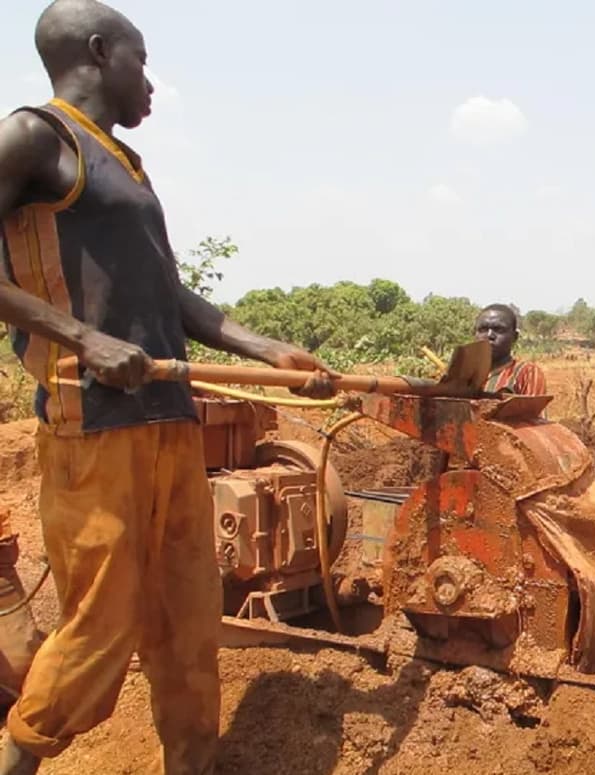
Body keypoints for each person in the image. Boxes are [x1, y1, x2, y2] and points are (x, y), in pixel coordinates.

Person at [0, 2, 334, 773]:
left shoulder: (129, 168)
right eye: (141, 61)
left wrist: (266, 347)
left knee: (189, 626)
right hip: (95, 427)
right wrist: (82, 338)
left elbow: (171, 297)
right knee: (100, 628)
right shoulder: (34, 138)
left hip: (169, 420)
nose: (150, 82)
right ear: (98, 51)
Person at [474, 303, 546, 396]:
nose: (489, 335)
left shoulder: (526, 374)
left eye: (498, 329)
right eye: (483, 329)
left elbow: (534, 409)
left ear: (515, 337)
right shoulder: (461, 374)